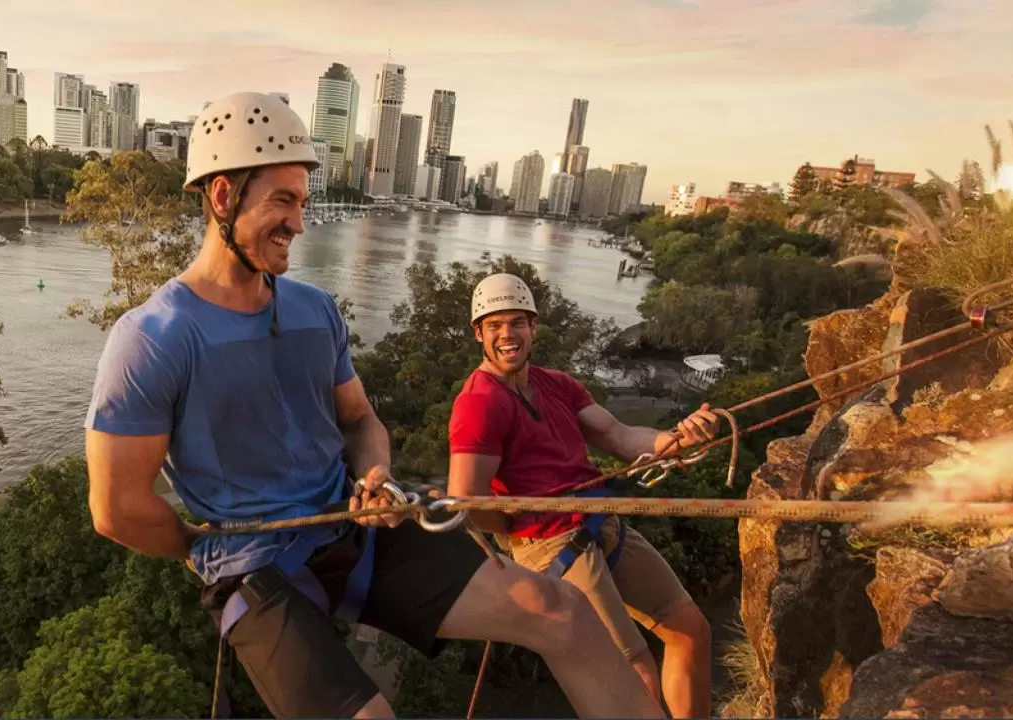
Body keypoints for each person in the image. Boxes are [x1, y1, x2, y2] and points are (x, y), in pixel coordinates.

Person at [83, 91, 664, 720]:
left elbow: (359, 419)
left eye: (302, 202)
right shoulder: (152, 338)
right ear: (222, 197)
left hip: (355, 526)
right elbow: (116, 509)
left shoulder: (313, 310)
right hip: (252, 562)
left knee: (562, 610)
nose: (300, 223)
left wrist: (374, 474)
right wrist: (202, 546)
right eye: (283, 200)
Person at [447, 273, 718, 719]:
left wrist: (679, 440)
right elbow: (468, 503)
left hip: (598, 519)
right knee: (635, 678)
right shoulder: (479, 403)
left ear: (533, 327)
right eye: (494, 325)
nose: (507, 335)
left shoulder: (558, 384)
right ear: (479, 333)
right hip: (551, 544)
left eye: (517, 322)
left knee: (690, 630)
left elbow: (620, 436)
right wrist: (520, 530)